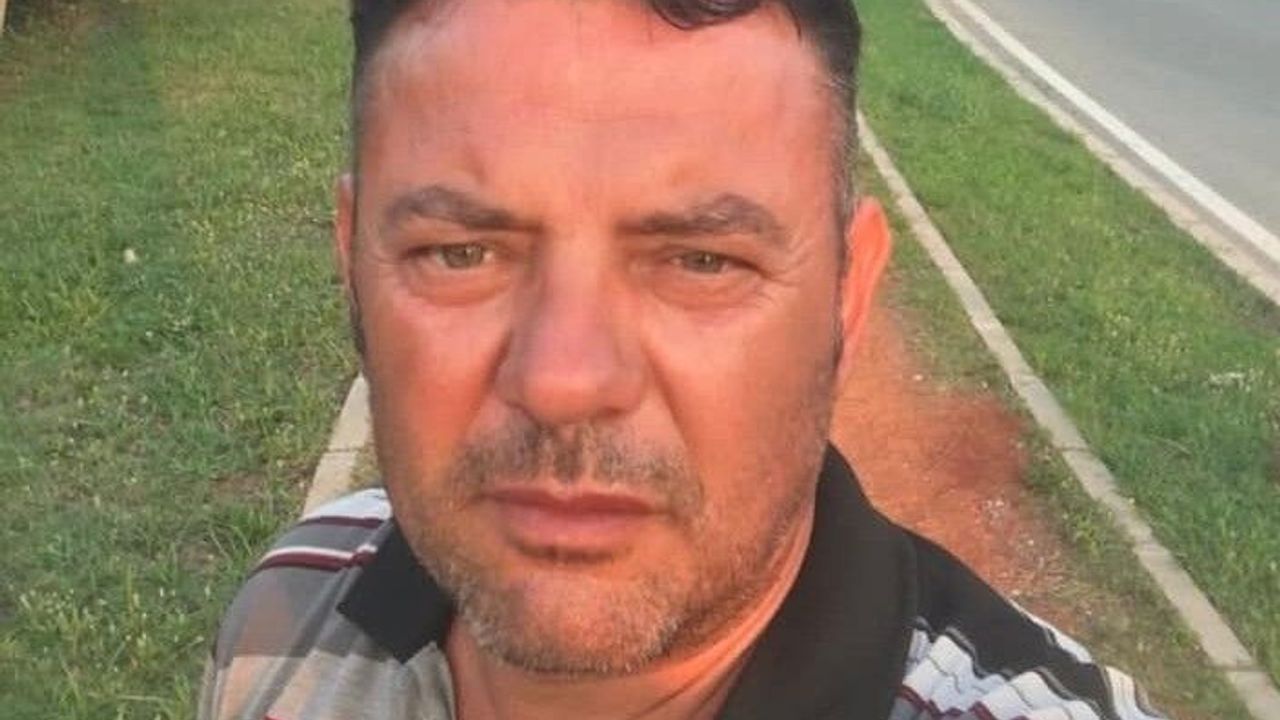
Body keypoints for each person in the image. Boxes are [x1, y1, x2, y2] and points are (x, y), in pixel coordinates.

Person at [200, 0, 1166, 718]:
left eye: (702, 261)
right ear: (352, 266)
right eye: (461, 253)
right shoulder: (289, 611)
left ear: (847, 299)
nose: (563, 382)